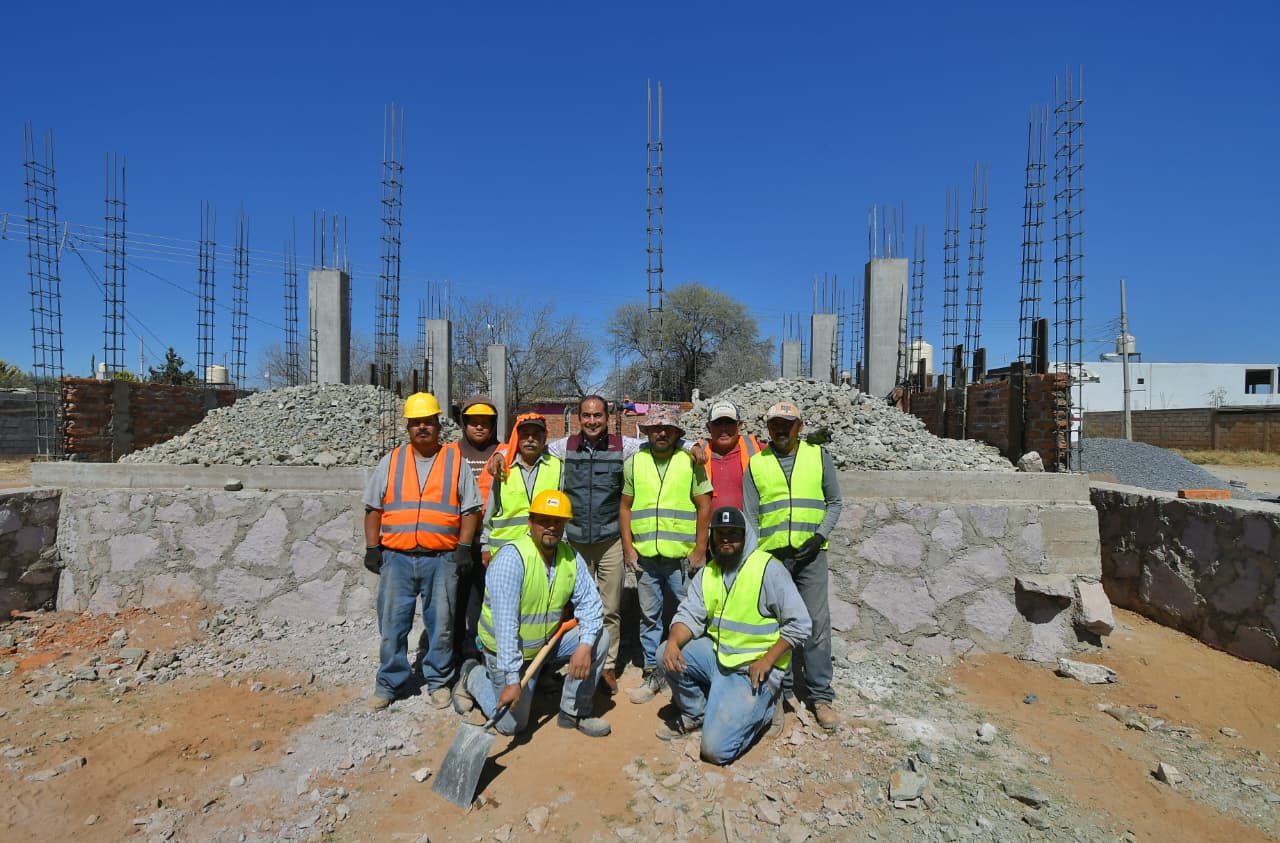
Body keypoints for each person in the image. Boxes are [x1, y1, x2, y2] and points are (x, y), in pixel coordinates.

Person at [451, 489, 612, 737]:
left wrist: (585, 646)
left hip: (545, 645)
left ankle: (574, 710)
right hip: (506, 652)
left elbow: (591, 604)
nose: (551, 527)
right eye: (544, 521)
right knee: (511, 725)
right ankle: (471, 675)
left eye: (557, 521)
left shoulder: (571, 557)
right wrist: (512, 678)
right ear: (531, 522)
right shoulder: (512, 559)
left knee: (600, 638)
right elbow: (506, 628)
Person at [658, 506, 812, 764]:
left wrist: (767, 660)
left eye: (733, 534)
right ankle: (696, 713)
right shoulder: (710, 572)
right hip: (720, 658)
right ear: (712, 537)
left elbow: (800, 624)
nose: (726, 540)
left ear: (746, 536)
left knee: (715, 752)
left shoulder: (767, 569)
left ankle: (767, 707)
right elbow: (688, 616)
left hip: (754, 669)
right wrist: (674, 642)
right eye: (720, 534)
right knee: (665, 651)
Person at [362, 392, 483, 711]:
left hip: (441, 560)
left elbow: (471, 509)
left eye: (427, 422)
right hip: (397, 559)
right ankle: (389, 682)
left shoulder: (454, 461)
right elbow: (373, 507)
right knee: (392, 625)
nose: (422, 428)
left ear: (437, 425)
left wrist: (464, 548)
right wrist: (372, 548)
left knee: (442, 625)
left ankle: (439, 681)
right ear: (408, 427)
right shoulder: (392, 460)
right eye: (416, 423)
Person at [743, 401, 844, 730]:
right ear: (768, 428)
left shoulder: (818, 457)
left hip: (811, 556)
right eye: (775, 424)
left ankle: (820, 696)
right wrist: (759, 556)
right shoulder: (757, 464)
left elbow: (835, 502)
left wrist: (819, 536)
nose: (781, 429)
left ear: (800, 426)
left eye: (788, 423)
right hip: (774, 559)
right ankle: (779, 694)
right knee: (775, 626)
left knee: (815, 625)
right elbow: (751, 516)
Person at [619, 405, 713, 705]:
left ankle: (690, 674)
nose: (661, 433)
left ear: (676, 433)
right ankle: (653, 673)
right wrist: (628, 548)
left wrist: (700, 548)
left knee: (691, 616)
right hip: (646, 557)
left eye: (667, 429)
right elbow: (625, 507)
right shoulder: (635, 462)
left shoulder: (690, 461)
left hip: (682, 559)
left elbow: (704, 505)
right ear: (647, 432)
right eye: (656, 429)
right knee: (649, 619)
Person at [453, 395, 506, 664]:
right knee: (455, 600)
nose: (479, 427)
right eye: (473, 422)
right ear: (464, 424)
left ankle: (481, 651)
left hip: (491, 543)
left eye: (485, 423)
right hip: (456, 541)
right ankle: (455, 653)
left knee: (485, 602)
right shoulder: (450, 453)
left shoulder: (505, 452)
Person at [482, 412, 562, 554]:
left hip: (542, 550)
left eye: (536, 435)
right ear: (517, 438)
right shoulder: (503, 466)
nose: (530, 439)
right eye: (525, 434)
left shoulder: (557, 467)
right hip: (504, 549)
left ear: (544, 439)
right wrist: (485, 546)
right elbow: (490, 510)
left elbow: (563, 511)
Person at [702, 400, 764, 513]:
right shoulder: (697, 452)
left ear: (739, 425)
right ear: (708, 427)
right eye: (717, 423)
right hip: (709, 528)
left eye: (729, 422)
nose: (723, 428)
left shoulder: (759, 450)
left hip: (748, 528)